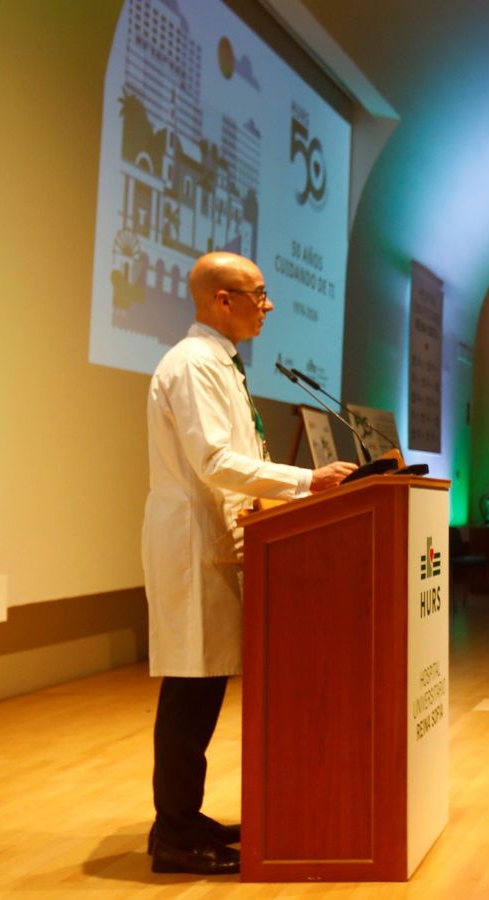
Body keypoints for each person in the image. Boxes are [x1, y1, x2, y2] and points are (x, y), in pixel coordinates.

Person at [142, 252, 356, 875]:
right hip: (191, 542)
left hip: (217, 537)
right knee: (190, 688)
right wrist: (306, 481)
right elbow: (212, 460)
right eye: (258, 295)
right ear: (220, 301)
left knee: (202, 685)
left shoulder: (220, 364)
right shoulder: (191, 365)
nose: (269, 306)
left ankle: (183, 817)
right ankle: (174, 834)